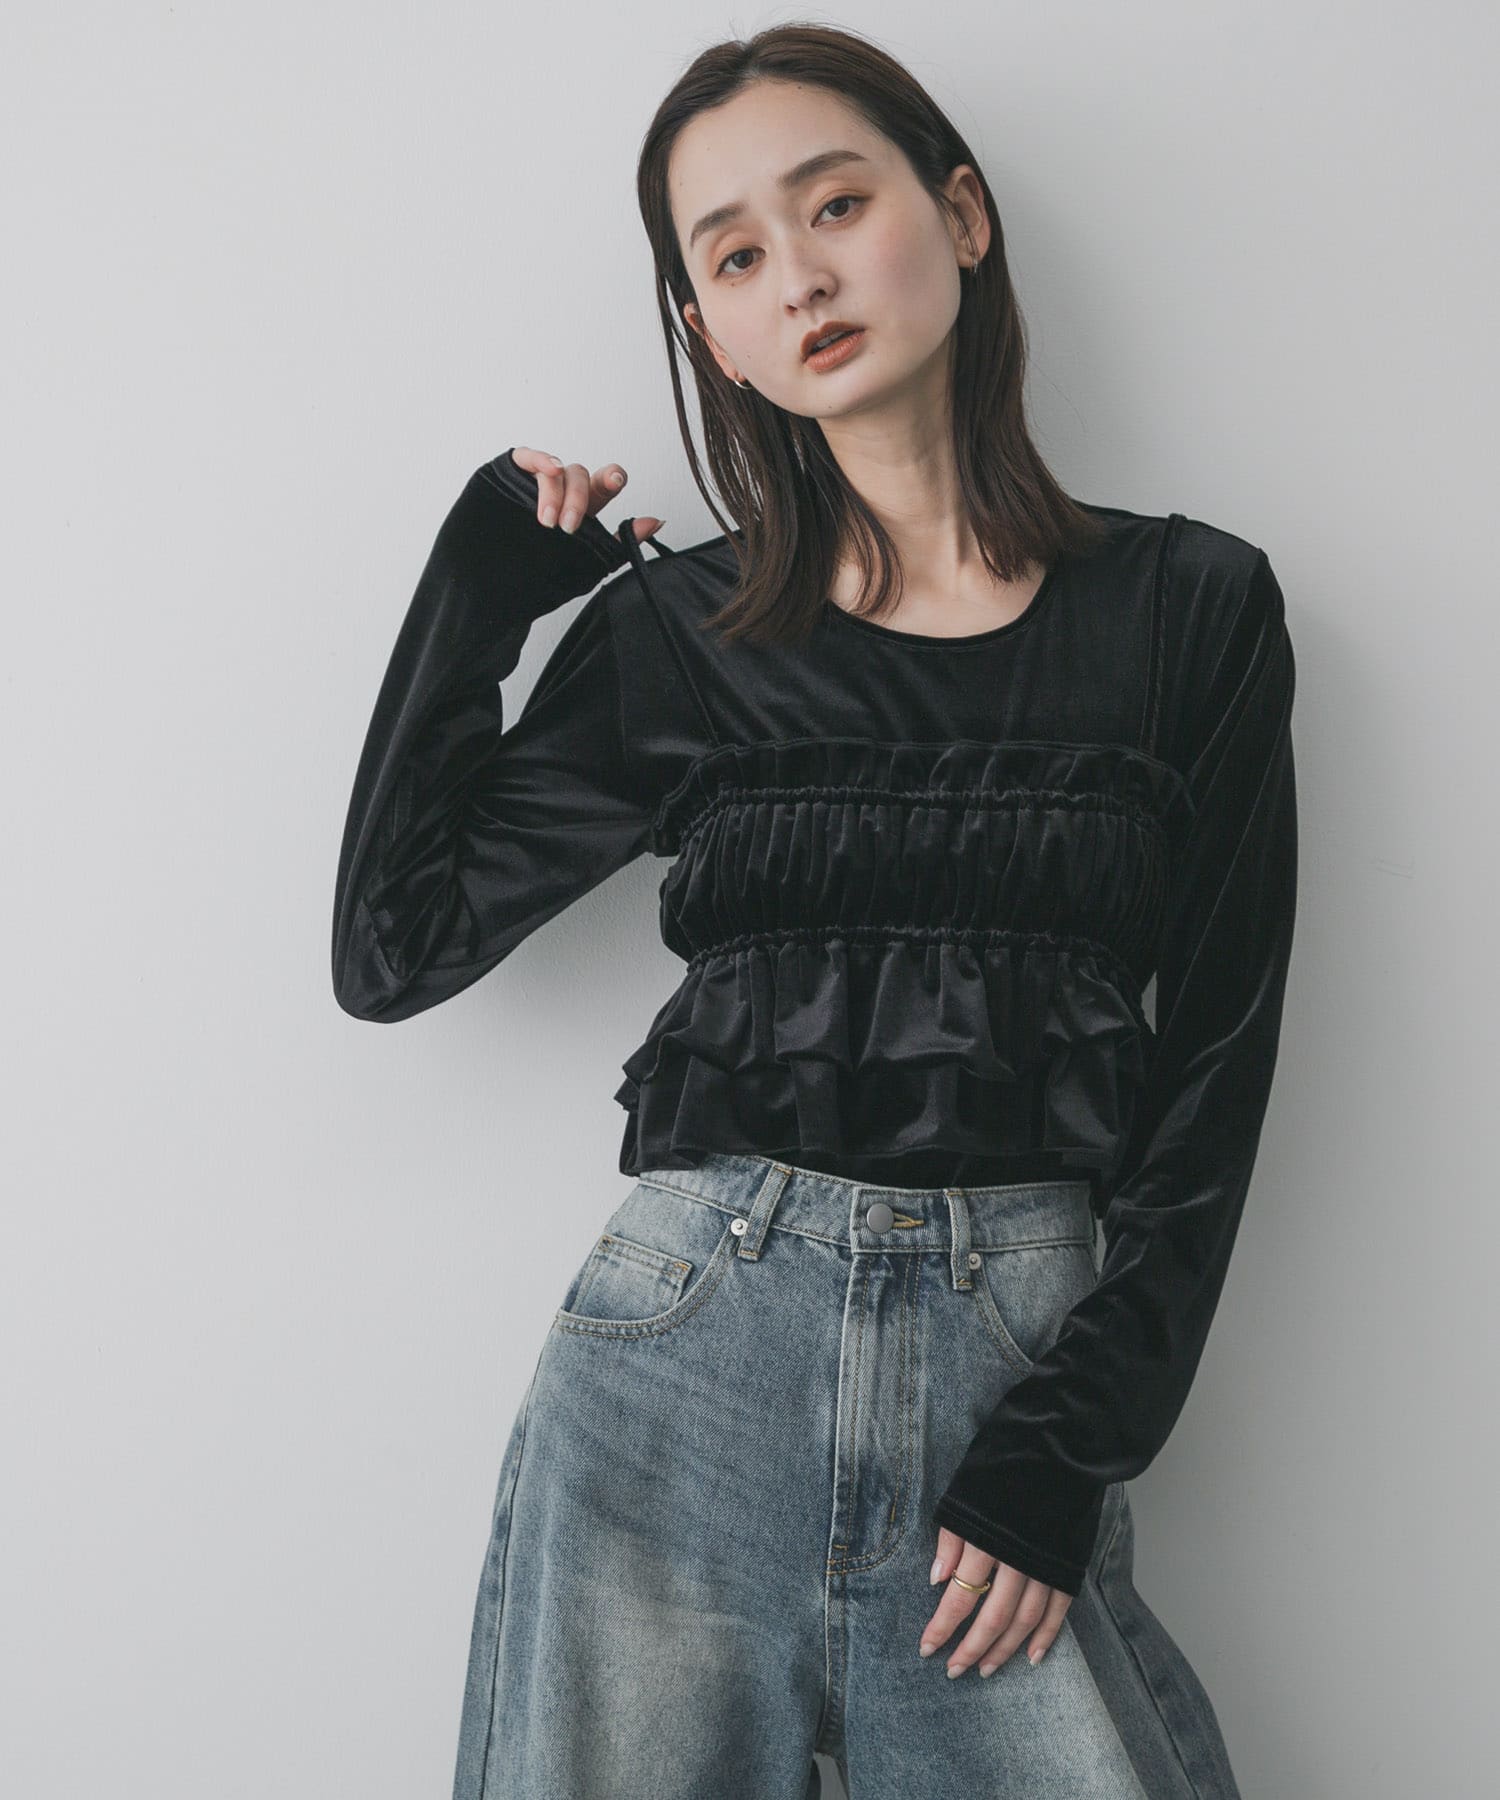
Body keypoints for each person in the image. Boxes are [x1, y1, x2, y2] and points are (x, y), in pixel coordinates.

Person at [331, 23, 1296, 1800]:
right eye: (735, 255)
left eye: (835, 204)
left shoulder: (1193, 611)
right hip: (686, 1367)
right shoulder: (676, 639)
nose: (800, 276)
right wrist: (481, 593)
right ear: (710, 334)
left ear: (962, 213)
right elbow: (392, 953)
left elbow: (1217, 1067)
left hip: (1018, 1382)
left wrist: (1071, 1448)